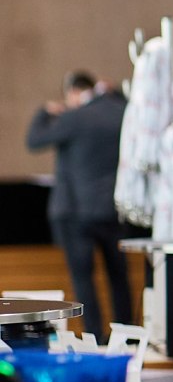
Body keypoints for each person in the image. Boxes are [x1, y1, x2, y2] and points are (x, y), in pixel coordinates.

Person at [25, 71, 132, 336]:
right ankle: (126, 335)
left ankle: (94, 336)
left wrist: (45, 112)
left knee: (84, 281)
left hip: (75, 211)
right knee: (119, 278)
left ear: (73, 92)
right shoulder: (120, 112)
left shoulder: (73, 118)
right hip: (113, 209)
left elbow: (34, 140)